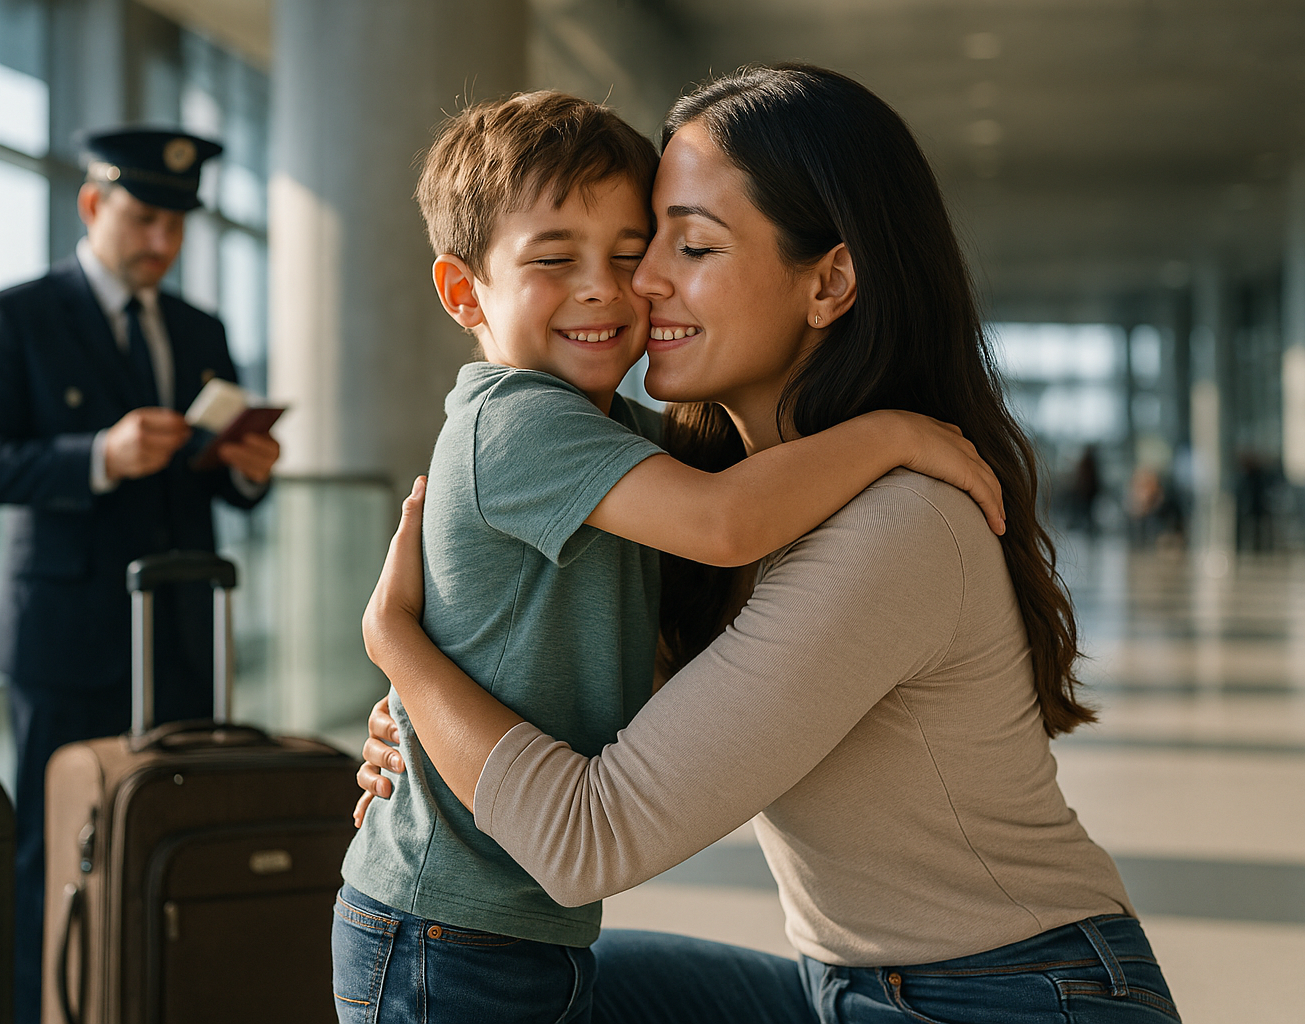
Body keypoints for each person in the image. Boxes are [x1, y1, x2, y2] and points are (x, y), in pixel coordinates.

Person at [354, 66, 1181, 1023]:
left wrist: (401, 647)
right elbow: (584, 683)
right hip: (855, 984)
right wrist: (427, 731)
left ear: (828, 281)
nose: (639, 280)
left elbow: (586, 842)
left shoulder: (896, 525)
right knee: (500, 982)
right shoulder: (703, 484)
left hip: (1015, 995)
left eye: (687, 244)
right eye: (649, 239)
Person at [0, 127, 281, 1024]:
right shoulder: (13, 316)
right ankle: (36, 1011)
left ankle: (155, 1000)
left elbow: (232, 484)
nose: (162, 245)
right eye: (144, 221)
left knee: (177, 826)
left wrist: (249, 465)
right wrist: (98, 455)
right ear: (93, 206)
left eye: (176, 227)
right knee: (50, 845)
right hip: (68, 638)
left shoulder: (200, 328)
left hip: (181, 628)